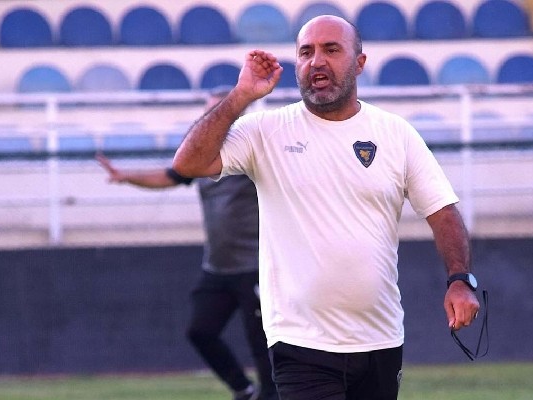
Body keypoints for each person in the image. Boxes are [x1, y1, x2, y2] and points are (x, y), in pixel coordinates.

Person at [171, 15, 479, 399]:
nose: (317, 61)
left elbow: (442, 211)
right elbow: (187, 164)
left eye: (331, 50)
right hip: (299, 342)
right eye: (306, 52)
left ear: (359, 63)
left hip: (381, 338)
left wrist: (460, 280)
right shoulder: (266, 131)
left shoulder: (395, 133)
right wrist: (240, 96)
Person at [97, 86, 277, 400]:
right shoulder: (200, 156)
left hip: (255, 266)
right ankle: (243, 390)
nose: (211, 116)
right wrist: (126, 177)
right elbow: (170, 176)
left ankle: (269, 395)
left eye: (218, 110)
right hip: (218, 267)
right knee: (200, 331)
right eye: (208, 111)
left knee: (261, 343)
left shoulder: (252, 151)